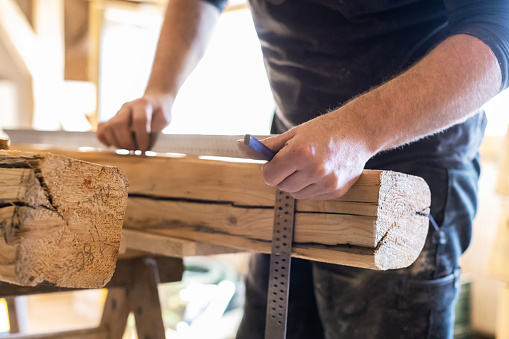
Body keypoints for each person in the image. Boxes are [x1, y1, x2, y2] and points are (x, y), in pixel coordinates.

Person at [97, 0, 509, 338]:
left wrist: (359, 131)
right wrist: (159, 92)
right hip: (292, 159)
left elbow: (496, 32)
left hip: (406, 164)